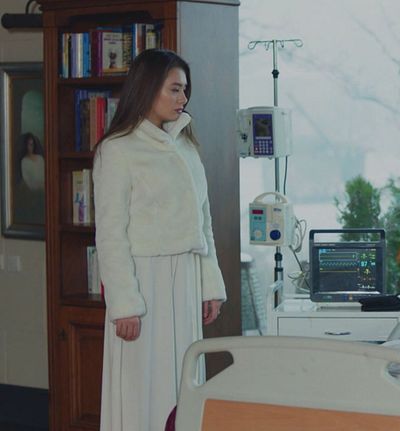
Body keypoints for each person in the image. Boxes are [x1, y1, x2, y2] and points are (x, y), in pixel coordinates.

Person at [93, 49, 227, 431]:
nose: (183, 98)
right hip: (143, 284)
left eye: (185, 89)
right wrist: (124, 304)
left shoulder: (186, 147)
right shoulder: (117, 150)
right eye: (174, 89)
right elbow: (110, 233)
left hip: (185, 280)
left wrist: (209, 285)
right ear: (148, 87)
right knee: (141, 386)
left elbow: (203, 222)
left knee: (183, 381)